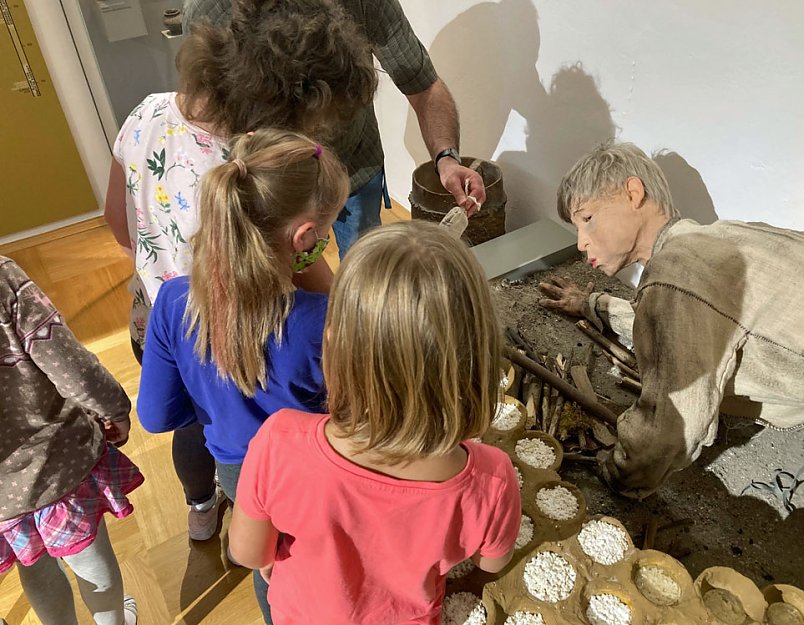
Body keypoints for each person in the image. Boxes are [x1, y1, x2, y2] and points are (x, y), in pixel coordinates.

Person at [103, 2, 371, 542]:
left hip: (164, 317)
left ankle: (202, 508)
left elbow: (118, 223)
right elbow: (299, 269)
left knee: (196, 427)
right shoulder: (247, 171)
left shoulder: (147, 111)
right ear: (281, 108)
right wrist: (352, 313)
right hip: (252, 341)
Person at [228, 221, 522, 624]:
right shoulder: (492, 478)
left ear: (331, 344)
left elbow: (248, 553)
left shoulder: (279, 440)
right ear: (476, 361)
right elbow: (492, 562)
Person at [538, 141, 804, 499]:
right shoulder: (713, 240)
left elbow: (668, 427)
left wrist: (616, 473)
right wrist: (592, 305)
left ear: (633, 193)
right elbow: (670, 319)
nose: (582, 242)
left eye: (587, 219)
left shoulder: (675, 274)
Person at [136, 129, 349, 623]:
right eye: (326, 232)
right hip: (314, 473)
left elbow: (155, 415)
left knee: (268, 562)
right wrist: (315, 263)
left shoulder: (172, 302)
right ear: (305, 239)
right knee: (316, 555)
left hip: (235, 468)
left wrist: (218, 399)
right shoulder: (321, 321)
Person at [182, 0, 488, 258]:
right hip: (267, 182)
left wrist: (446, 158)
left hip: (353, 164)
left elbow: (423, 85)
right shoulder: (209, 13)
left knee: (360, 265)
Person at [0, 257, 144, 625]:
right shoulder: (3, 277)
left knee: (34, 565)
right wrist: (116, 408)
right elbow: (71, 366)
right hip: (57, 465)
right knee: (89, 557)